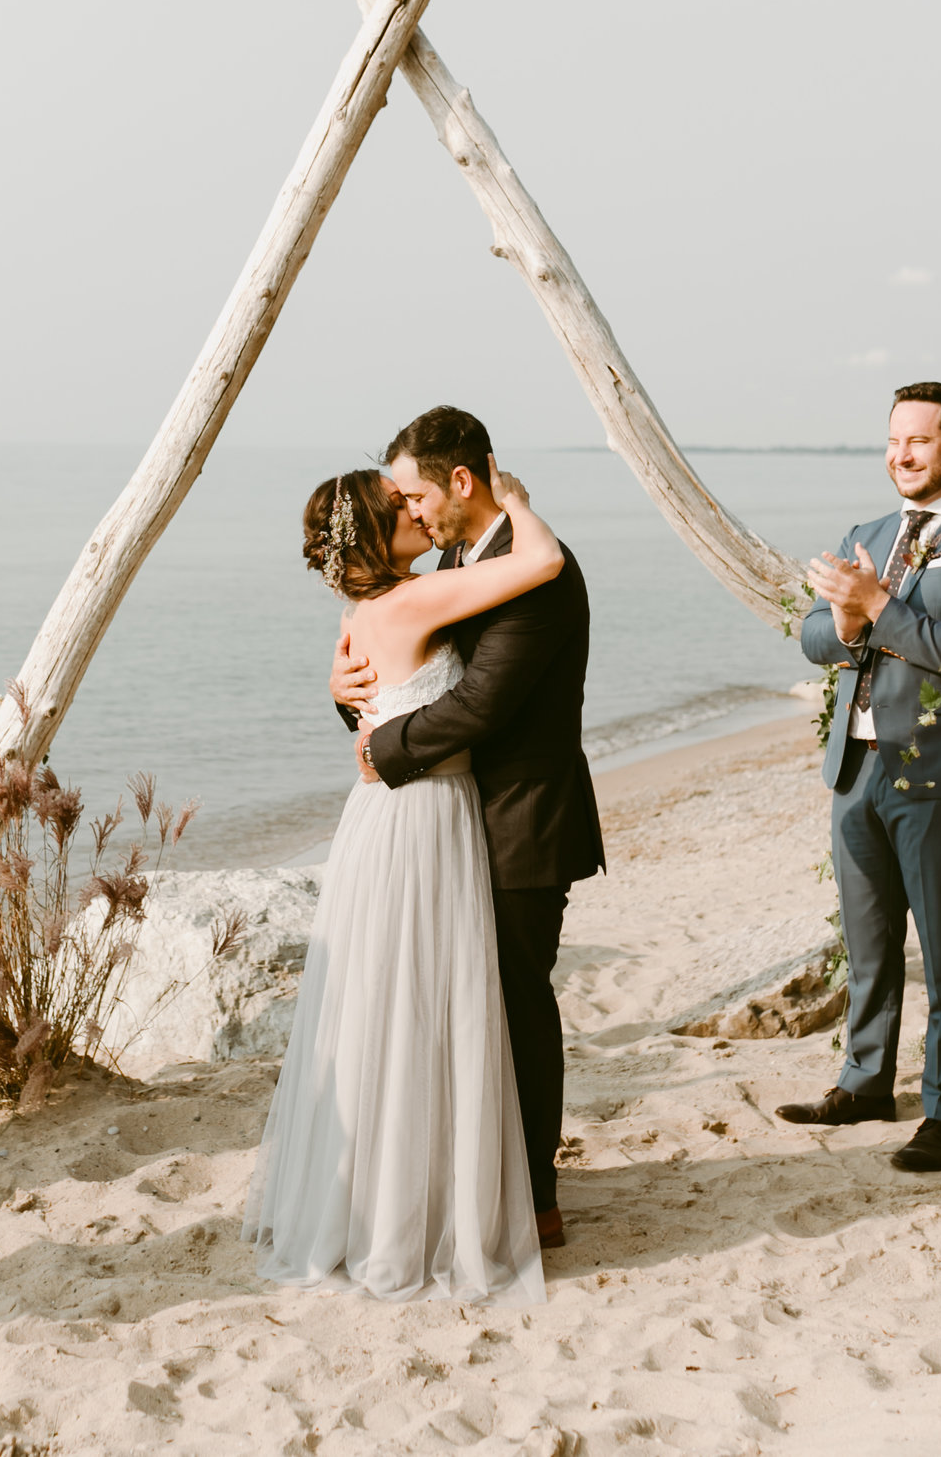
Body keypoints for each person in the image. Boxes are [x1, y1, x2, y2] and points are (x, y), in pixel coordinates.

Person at [248, 463, 557, 1303]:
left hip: (386, 818)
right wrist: (521, 503)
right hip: (423, 814)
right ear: (377, 536)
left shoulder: (370, 609)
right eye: (398, 508)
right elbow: (540, 564)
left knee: (387, 1011)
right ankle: (416, 1213)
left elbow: (378, 693)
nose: (415, 510)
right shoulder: (413, 601)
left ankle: (389, 1203)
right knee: (425, 1007)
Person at [329, 406, 604, 1252]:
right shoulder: (451, 564)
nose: (410, 512)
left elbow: (482, 702)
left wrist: (384, 746)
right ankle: (473, 1180)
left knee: (517, 1005)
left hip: (520, 822)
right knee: (455, 1011)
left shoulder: (542, 577)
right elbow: (408, 673)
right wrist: (349, 698)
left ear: (462, 478)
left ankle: (537, 1196)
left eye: (415, 494)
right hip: (446, 825)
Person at [785, 382, 941, 1173]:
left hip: (937, 771)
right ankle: (865, 1083)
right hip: (854, 766)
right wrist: (850, 619)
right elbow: (814, 637)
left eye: (919, 441)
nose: (902, 454)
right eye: (894, 441)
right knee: (867, 945)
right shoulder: (867, 531)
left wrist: (878, 604)